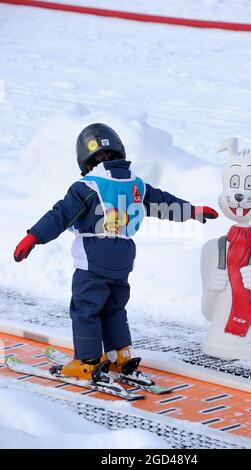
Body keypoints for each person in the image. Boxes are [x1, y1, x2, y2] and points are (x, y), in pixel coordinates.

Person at [14, 123, 218, 381]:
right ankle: (120, 355)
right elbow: (164, 203)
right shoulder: (136, 184)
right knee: (114, 307)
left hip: (94, 258)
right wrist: (192, 211)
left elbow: (61, 215)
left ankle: (87, 362)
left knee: (86, 308)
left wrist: (33, 236)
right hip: (123, 257)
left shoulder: (87, 186)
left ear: (85, 160)